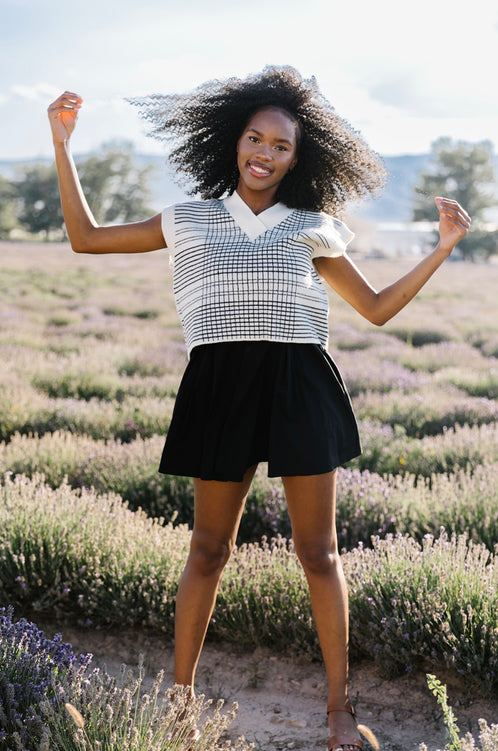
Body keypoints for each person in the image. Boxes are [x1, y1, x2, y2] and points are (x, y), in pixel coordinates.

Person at [47, 66, 470, 751]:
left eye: (280, 146)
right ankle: (179, 701)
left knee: (319, 552)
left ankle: (338, 708)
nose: (264, 153)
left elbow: (376, 309)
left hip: (299, 380)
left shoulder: (312, 227)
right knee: (208, 549)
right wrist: (63, 146)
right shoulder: (185, 218)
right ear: (232, 141)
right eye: (255, 138)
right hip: (217, 384)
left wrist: (442, 248)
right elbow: (86, 238)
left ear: (296, 159)